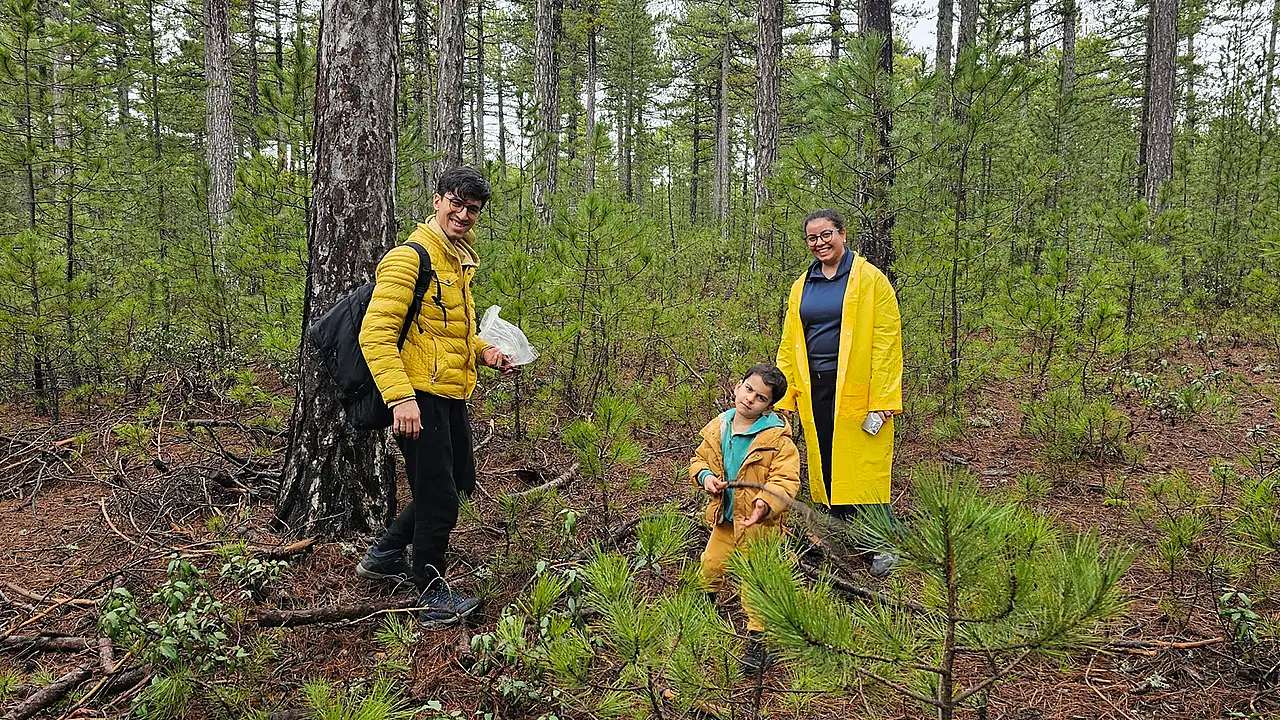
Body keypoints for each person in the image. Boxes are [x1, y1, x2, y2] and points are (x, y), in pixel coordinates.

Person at [354, 166, 515, 628]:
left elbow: (448, 333)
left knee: (460, 482)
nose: (462, 215)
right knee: (439, 493)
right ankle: (429, 592)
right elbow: (377, 335)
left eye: (472, 210)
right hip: (416, 395)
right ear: (438, 199)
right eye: (456, 204)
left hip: (448, 391)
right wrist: (401, 399)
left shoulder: (458, 259)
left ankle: (385, 553)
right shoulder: (411, 258)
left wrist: (485, 353)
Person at [774, 208, 903, 578]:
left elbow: (887, 343)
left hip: (859, 391)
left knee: (864, 471)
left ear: (843, 234)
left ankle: (884, 541)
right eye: (812, 238)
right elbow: (790, 343)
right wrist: (784, 396)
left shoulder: (870, 280)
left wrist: (883, 400)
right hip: (816, 390)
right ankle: (843, 536)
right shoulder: (803, 284)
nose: (819, 243)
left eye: (826, 235)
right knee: (829, 465)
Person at [690, 363, 801, 675]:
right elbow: (699, 460)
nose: (751, 398)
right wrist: (705, 477)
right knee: (711, 565)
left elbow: (786, 481)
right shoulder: (718, 428)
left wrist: (765, 503)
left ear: (769, 406)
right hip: (725, 520)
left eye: (761, 397)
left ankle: (760, 639)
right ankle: (702, 607)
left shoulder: (777, 439)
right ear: (738, 387)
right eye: (749, 389)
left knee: (756, 581)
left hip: (758, 526)